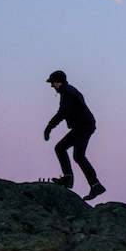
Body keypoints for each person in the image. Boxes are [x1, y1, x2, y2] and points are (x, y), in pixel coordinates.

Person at [43, 70, 105, 201]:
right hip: (83, 126)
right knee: (73, 154)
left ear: (57, 82)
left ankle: (72, 180)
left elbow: (63, 112)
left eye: (52, 82)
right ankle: (91, 184)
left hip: (83, 126)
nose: (51, 86)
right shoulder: (68, 91)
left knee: (66, 151)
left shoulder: (67, 92)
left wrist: (49, 127)